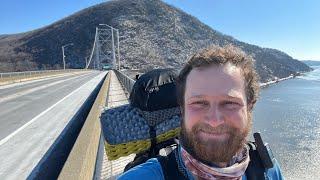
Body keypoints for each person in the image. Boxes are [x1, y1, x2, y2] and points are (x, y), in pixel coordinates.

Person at [118, 45, 284, 180]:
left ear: (249, 108)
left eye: (229, 103)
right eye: (199, 103)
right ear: (182, 109)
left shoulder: (267, 171)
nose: (214, 120)